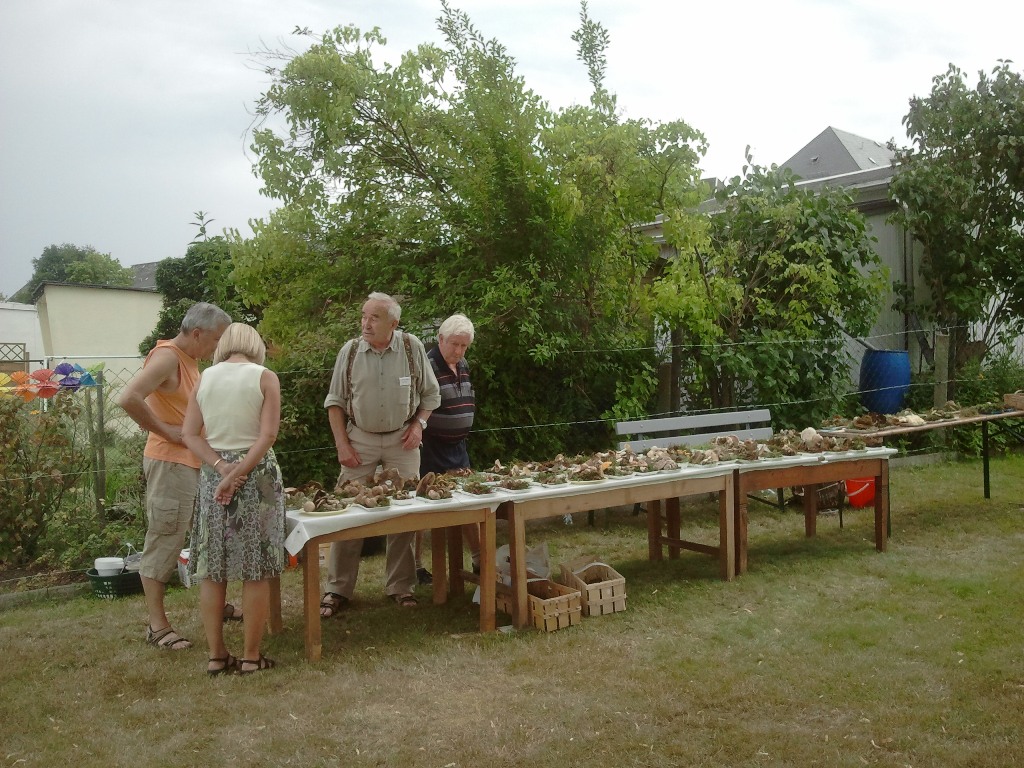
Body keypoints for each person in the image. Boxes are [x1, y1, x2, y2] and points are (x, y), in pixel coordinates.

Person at [117, 302, 231, 651]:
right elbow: (127, 398)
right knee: (165, 538)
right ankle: (157, 626)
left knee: (204, 536)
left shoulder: (191, 360)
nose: (217, 348)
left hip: (195, 463)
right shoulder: (167, 356)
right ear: (197, 333)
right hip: (171, 464)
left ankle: (218, 606)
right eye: (215, 340)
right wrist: (168, 432)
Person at [319, 292, 440, 617]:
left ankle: (401, 586)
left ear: (393, 323)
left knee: (404, 513)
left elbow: (431, 396)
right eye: (363, 316)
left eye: (373, 318)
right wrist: (342, 444)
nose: (365, 323)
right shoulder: (351, 351)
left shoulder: (412, 348)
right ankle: (337, 589)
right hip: (361, 439)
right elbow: (335, 402)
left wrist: (419, 427)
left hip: (404, 442)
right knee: (348, 512)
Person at [182, 323, 284, 675]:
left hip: (214, 475)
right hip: (257, 475)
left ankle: (216, 655)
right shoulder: (265, 377)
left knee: (214, 569)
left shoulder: (204, 378)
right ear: (255, 346)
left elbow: (189, 434)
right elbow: (268, 434)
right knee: (255, 570)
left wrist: (222, 468)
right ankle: (252, 658)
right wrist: (239, 473)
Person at [414, 314, 479, 582]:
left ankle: (478, 559)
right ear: (440, 339)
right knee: (421, 507)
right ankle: (415, 565)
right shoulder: (426, 365)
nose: (459, 351)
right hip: (431, 447)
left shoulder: (462, 363)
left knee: (470, 503)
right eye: (454, 344)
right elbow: (418, 406)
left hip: (458, 448)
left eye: (464, 346)